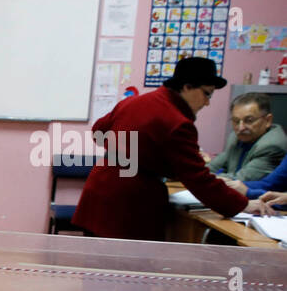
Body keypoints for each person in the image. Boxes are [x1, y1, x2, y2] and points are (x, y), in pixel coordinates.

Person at [72, 57, 259, 240]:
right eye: (207, 94)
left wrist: (125, 152)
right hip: (128, 203)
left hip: (99, 189)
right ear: (187, 87)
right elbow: (198, 180)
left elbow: (98, 131)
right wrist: (242, 204)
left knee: (96, 267)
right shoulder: (177, 122)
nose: (207, 102)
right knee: (126, 268)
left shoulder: (136, 101)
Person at [203, 91, 286, 183]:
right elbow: (212, 167)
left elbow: (239, 180)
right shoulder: (236, 137)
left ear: (268, 120)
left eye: (249, 120)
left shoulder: (273, 146)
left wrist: (204, 176)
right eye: (236, 121)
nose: (240, 128)